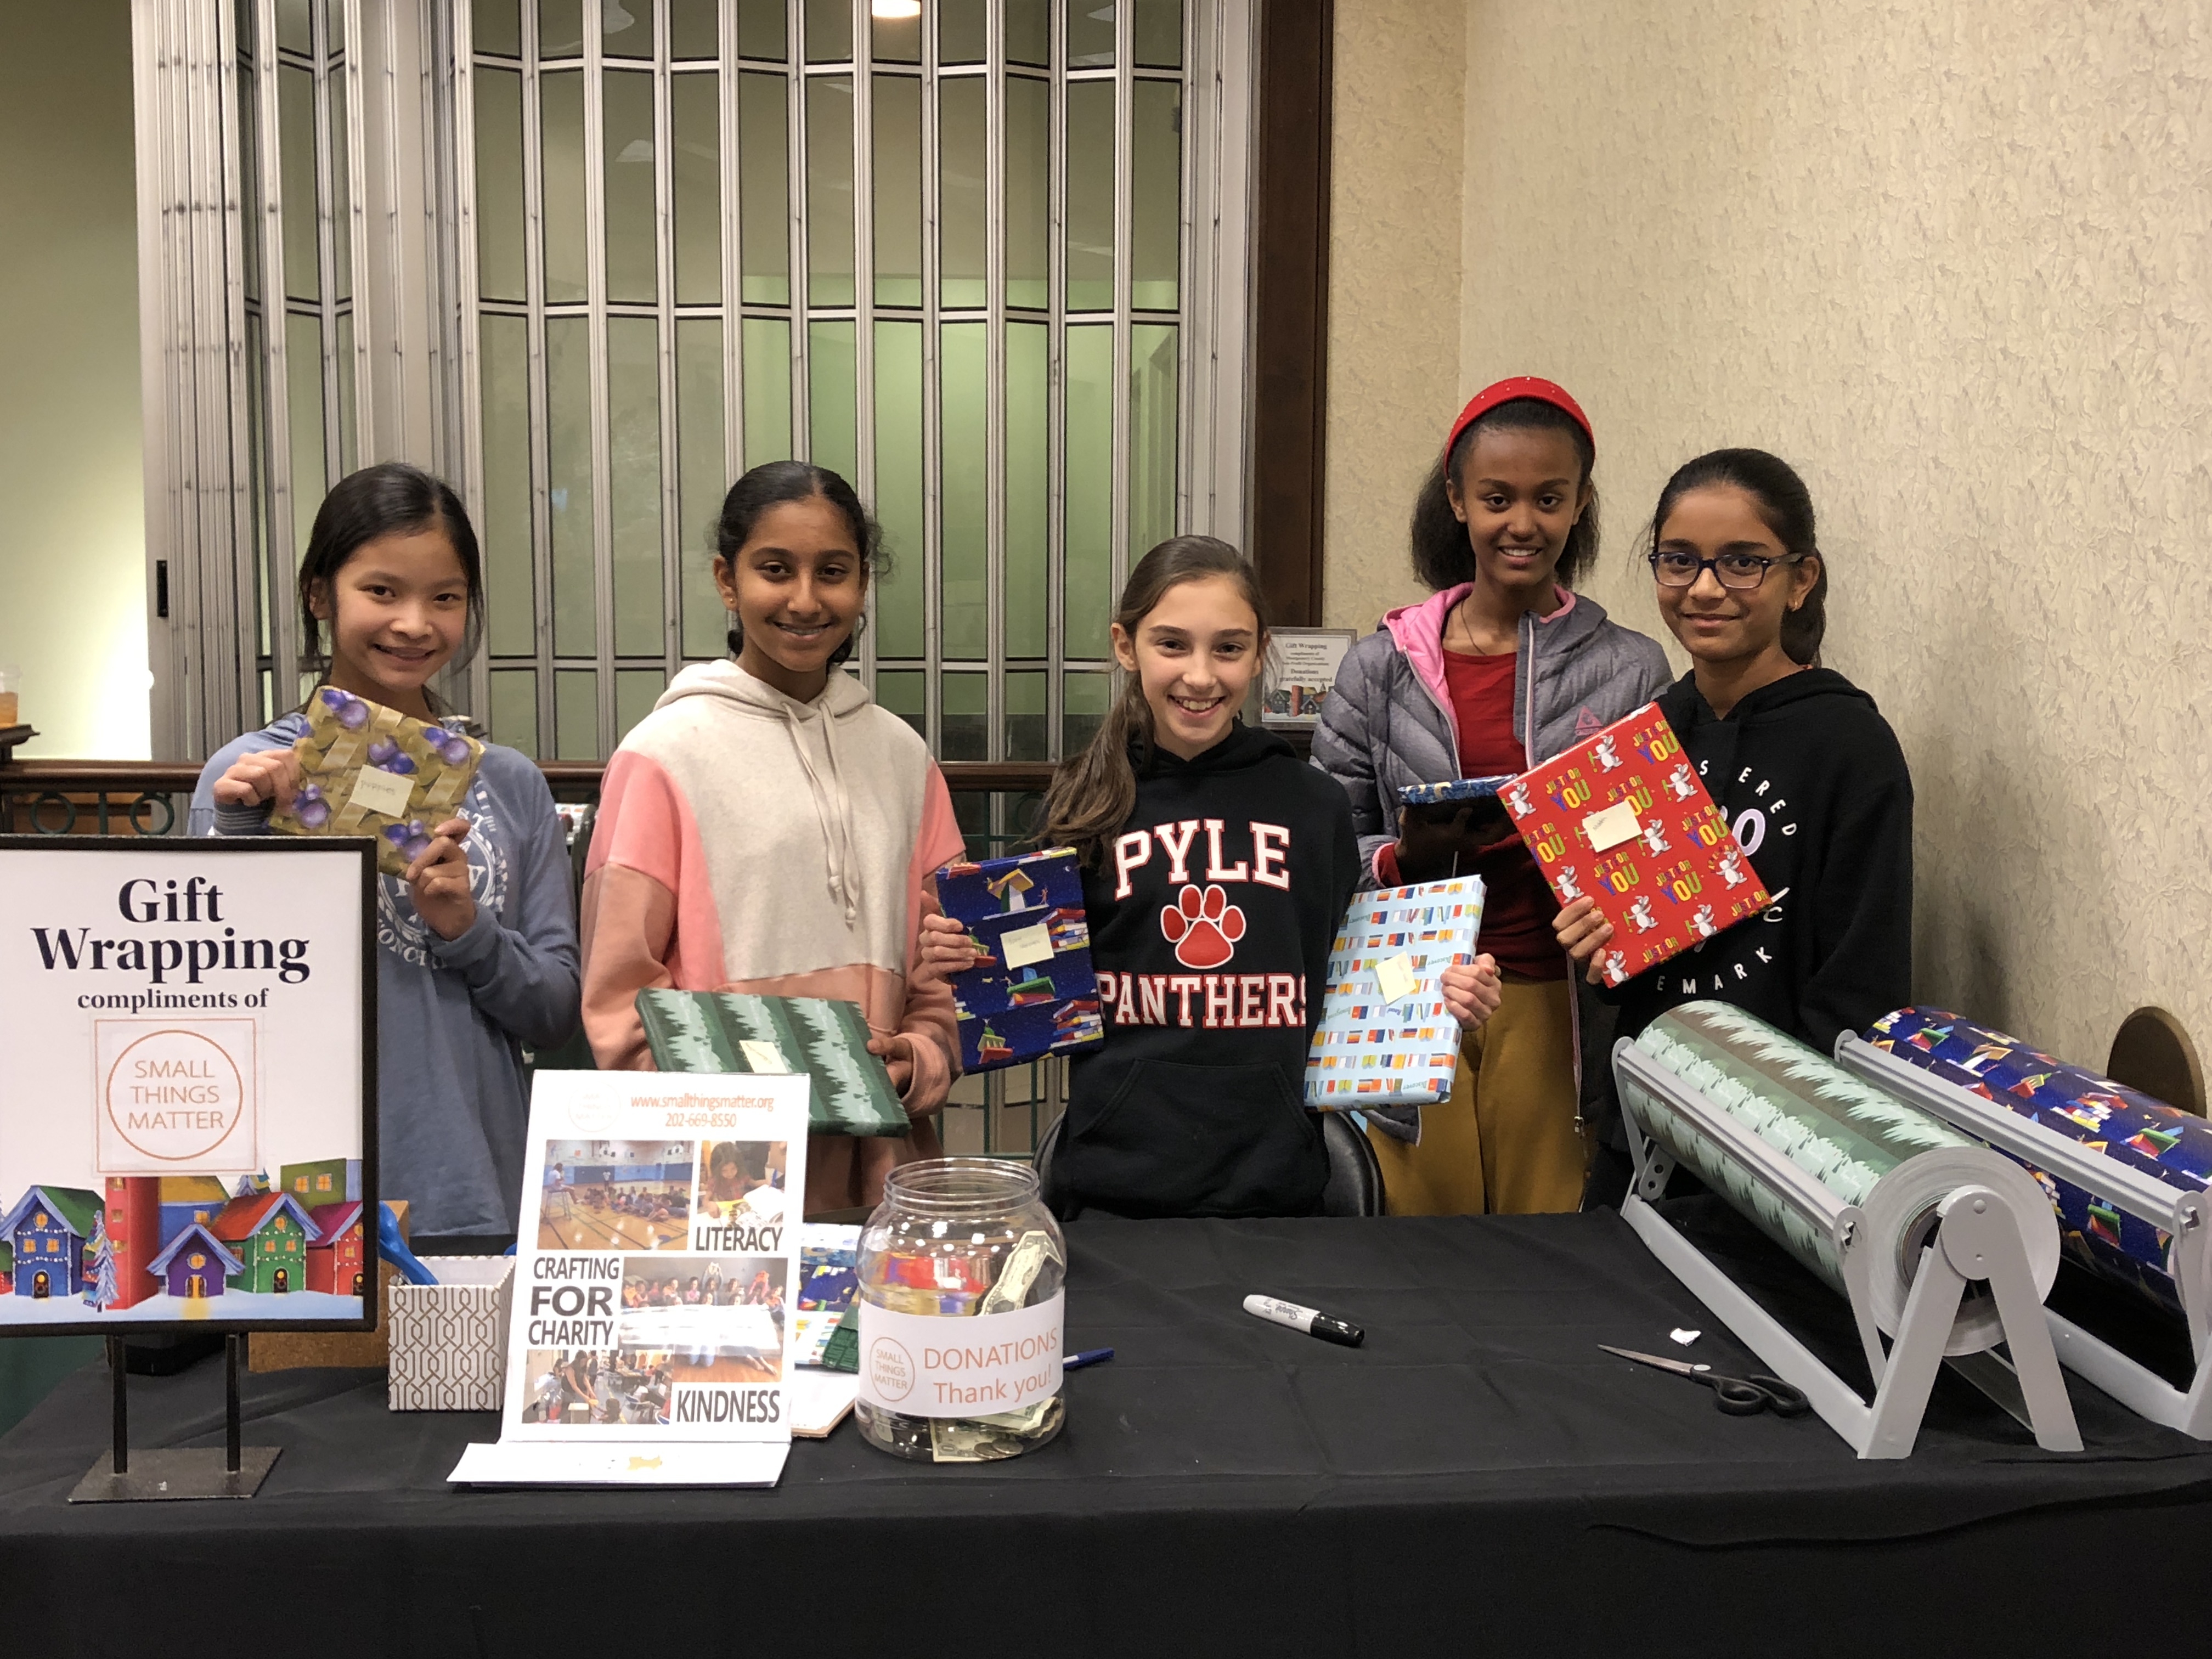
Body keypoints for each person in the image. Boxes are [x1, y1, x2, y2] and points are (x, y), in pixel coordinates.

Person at [921, 537, 1503, 1220]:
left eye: (1228, 649)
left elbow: (1357, 974)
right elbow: (1035, 994)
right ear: (1125, 646)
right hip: (1112, 1187)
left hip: (1278, 1186)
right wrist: (969, 959)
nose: (1201, 676)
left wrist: (1436, 987)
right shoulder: (1081, 802)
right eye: (1173, 644)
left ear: (1259, 655)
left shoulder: (1314, 807)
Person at [191, 462, 580, 1248]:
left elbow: (553, 1011)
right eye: (381, 591)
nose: (415, 623)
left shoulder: (507, 785)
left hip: (479, 1196)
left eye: (445, 597)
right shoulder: (248, 779)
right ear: (318, 595)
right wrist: (240, 832)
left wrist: (468, 932)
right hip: (298, 1213)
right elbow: (205, 1003)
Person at [1314, 379, 1671, 1217]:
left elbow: (1655, 859)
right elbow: (1328, 843)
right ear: (1456, 500)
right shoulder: (1382, 667)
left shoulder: (1631, 668)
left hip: (1559, 1002)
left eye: (1549, 499)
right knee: (1414, 1239)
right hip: (1409, 987)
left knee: (1546, 1247)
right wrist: (1407, 857)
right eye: (1497, 498)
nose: (1523, 524)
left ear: (1581, 502)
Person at [579, 461, 967, 1214]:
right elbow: (618, 997)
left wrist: (918, 1060)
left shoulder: (902, 759)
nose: (805, 599)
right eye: (774, 570)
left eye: (833, 573)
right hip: (722, 1185)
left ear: (862, 584)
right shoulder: (662, 757)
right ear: (728, 581)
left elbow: (947, 968)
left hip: (884, 1173)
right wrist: (719, 1112)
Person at [1556, 448, 1914, 1204]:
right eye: (1679, 561)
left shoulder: (1849, 746)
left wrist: (1803, 1147)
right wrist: (1601, 945)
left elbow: (1860, 988)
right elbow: (1638, 967)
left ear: (1801, 579)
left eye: (1743, 562)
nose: (1706, 589)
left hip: (1788, 1153)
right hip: (1646, 1124)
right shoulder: (1645, 736)